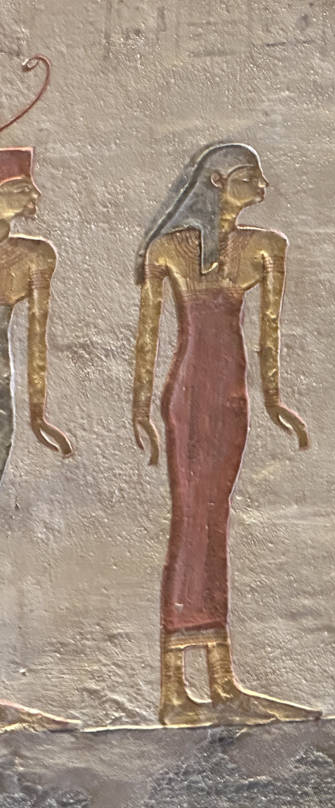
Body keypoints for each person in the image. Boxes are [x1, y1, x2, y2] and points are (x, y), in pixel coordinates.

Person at [133, 142, 318, 726]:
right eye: (248, 176)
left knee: (214, 522)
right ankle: (174, 689)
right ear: (215, 182)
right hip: (191, 394)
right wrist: (141, 407)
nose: (261, 185)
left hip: (230, 394)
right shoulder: (168, 250)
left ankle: (218, 680)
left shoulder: (266, 248)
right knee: (192, 522)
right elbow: (148, 337)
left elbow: (268, 339)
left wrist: (275, 400)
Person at [0, 55, 75, 732]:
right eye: (23, 188)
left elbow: (36, 343)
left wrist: (39, 415)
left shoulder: (32, 256)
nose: (34, 198)